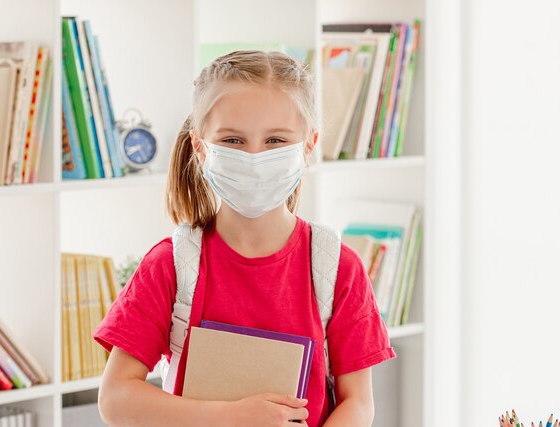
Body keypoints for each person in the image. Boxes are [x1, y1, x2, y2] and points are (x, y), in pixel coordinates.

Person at [93, 50, 396, 427]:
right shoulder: (171, 264)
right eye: (233, 140)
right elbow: (116, 398)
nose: (254, 156)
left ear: (308, 145)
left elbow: (359, 404)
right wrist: (233, 417)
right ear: (201, 148)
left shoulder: (338, 268)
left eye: (275, 140)